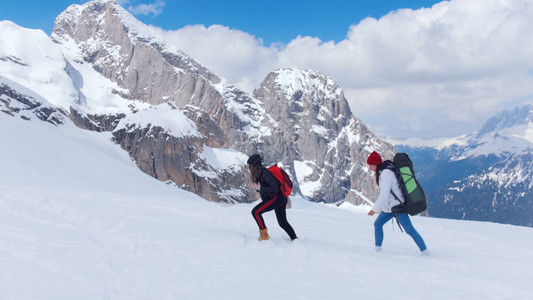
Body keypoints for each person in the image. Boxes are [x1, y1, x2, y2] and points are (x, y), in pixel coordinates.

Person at [366, 151, 429, 256]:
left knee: (409, 230)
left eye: (371, 165)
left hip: (398, 207)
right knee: (378, 224)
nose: (370, 168)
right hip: (390, 208)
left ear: (376, 164)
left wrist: (374, 209)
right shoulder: (383, 172)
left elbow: (385, 194)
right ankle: (377, 250)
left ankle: (425, 251)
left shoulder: (386, 174)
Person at [247, 154, 298, 241]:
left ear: (254, 165)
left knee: (256, 212)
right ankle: (294, 238)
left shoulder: (264, 173)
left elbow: (274, 188)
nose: (249, 167)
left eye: (250, 165)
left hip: (276, 198)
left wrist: (260, 188)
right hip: (280, 198)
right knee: (282, 222)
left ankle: (264, 235)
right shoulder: (260, 173)